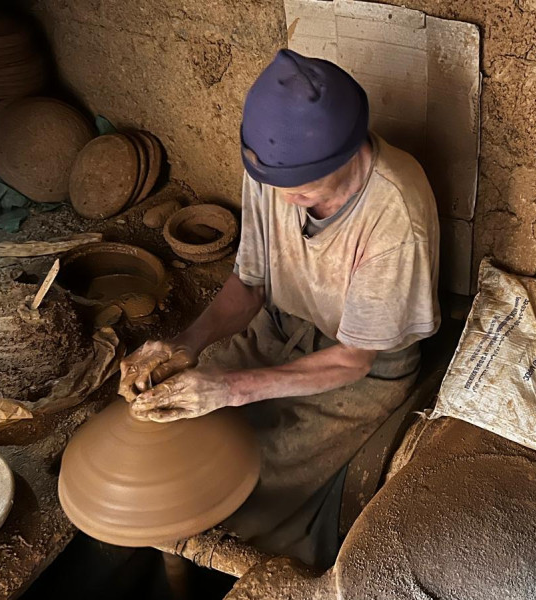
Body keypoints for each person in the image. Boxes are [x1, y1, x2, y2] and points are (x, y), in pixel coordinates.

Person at [118, 49, 440, 567]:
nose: (285, 199)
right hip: (277, 330)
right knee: (176, 434)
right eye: (276, 187)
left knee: (242, 482)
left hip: (358, 375)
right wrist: (184, 345)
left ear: (349, 152)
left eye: (302, 189)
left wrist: (228, 389)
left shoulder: (396, 212)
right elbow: (248, 285)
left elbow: (353, 360)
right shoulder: (274, 170)